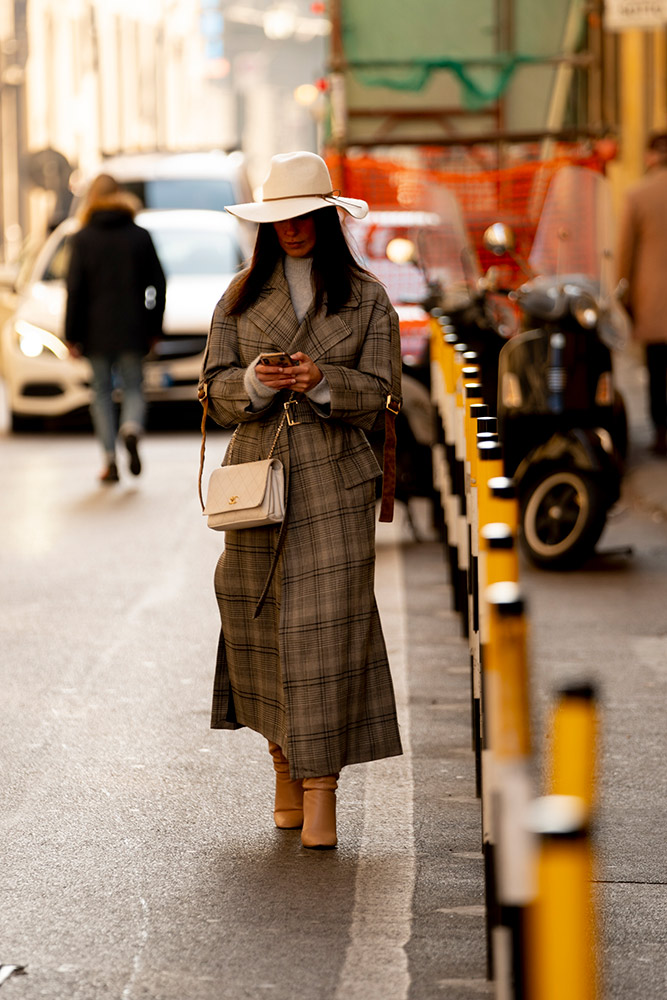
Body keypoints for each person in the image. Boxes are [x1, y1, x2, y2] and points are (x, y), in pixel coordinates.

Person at [199, 151, 403, 849]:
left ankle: (322, 791)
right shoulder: (237, 296)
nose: (290, 229)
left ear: (325, 216)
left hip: (336, 484)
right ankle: (283, 765)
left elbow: (383, 395)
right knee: (257, 625)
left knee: (327, 635)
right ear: (265, 224)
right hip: (256, 485)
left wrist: (322, 380)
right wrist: (254, 382)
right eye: (278, 218)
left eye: (303, 216)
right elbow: (213, 391)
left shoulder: (367, 296)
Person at [65, 173, 166, 482]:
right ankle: (132, 427)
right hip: (134, 328)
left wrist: (71, 335)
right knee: (134, 386)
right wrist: (154, 325)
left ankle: (110, 461)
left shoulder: (82, 239)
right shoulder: (139, 235)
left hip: (95, 333)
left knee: (101, 394)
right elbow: (158, 284)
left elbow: (75, 291)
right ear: (121, 195)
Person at [617, 132, 667, 456]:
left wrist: (623, 294)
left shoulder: (637, 195)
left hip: (653, 298)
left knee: (657, 367)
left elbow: (624, 255)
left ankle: (662, 432)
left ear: (650, 156)